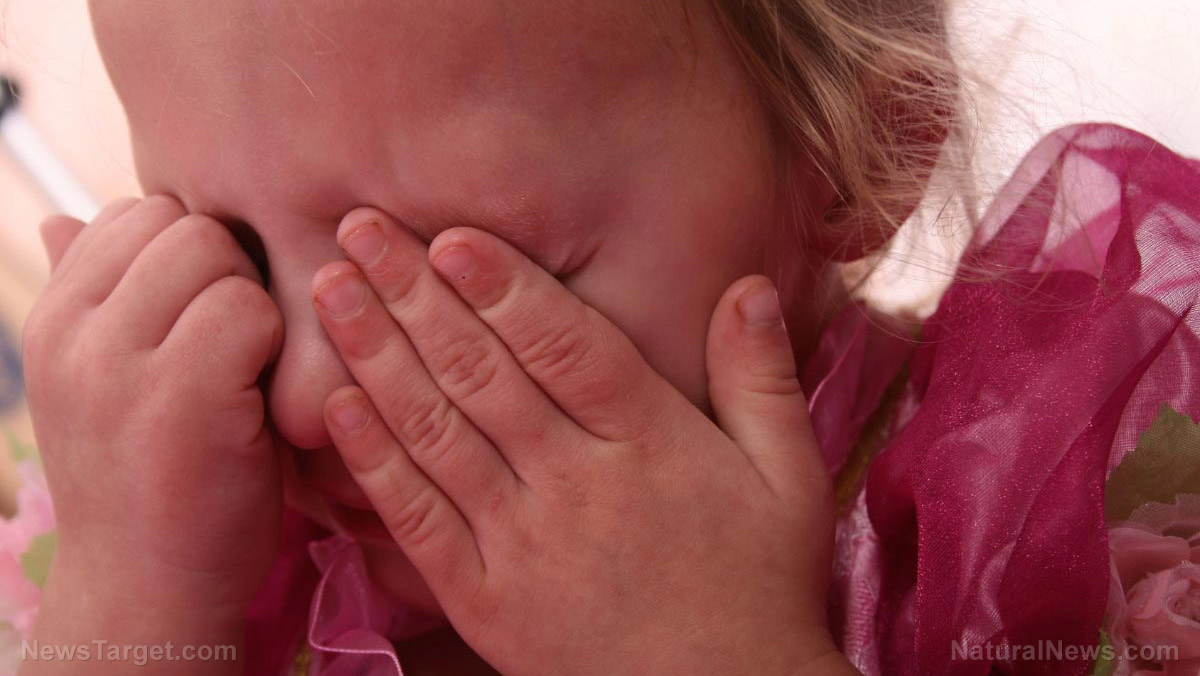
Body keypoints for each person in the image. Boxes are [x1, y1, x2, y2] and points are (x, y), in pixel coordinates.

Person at [17, 0, 1014, 674]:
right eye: (228, 250)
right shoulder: (194, 539)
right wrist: (123, 610)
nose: (302, 400)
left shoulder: (1017, 522)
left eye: (438, 262)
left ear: (849, 157)